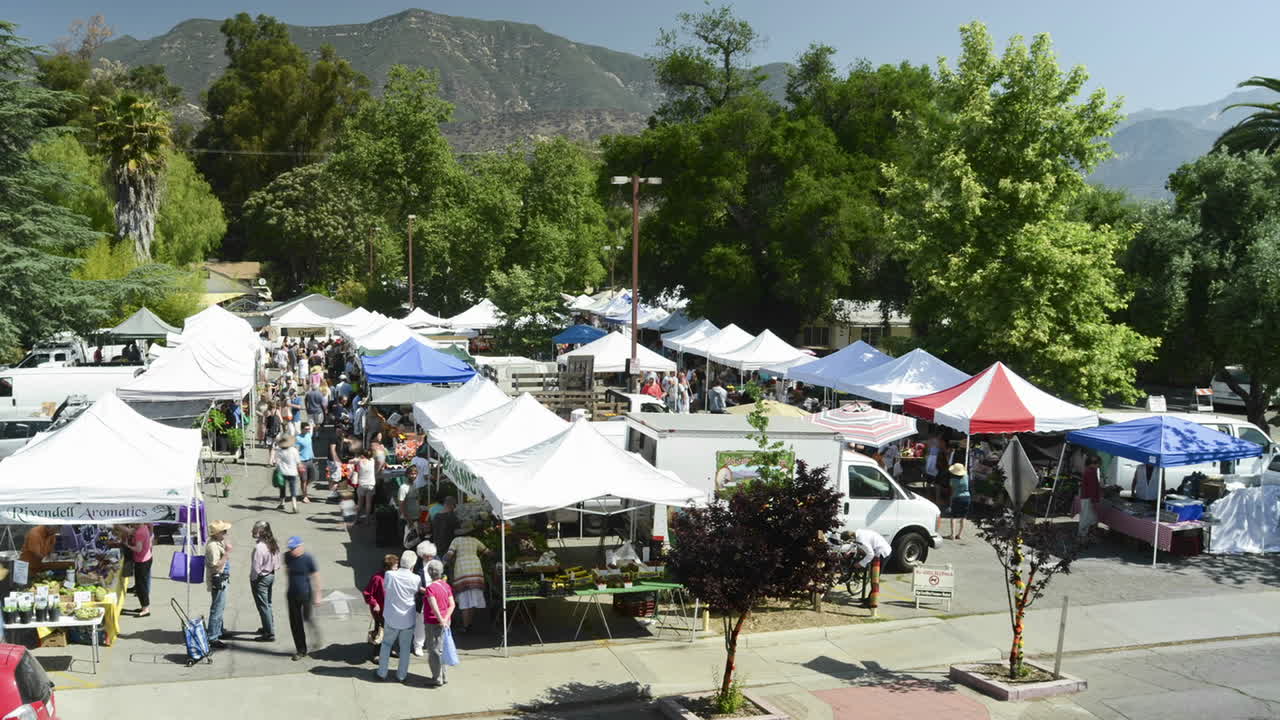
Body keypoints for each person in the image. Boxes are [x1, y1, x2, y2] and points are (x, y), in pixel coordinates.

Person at [376, 551, 422, 683]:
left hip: (391, 617)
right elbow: (417, 591)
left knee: (386, 644)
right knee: (405, 648)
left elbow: (386, 587)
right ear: (413, 564)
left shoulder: (390, 575)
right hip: (407, 618)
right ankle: (401, 675)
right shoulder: (416, 578)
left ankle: (382, 672)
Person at [444, 524, 488, 634]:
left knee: (464, 600)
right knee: (473, 598)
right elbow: (488, 552)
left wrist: (443, 562)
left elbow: (449, 555)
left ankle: (465, 626)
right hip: (475, 568)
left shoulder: (456, 540)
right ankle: (469, 624)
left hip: (462, 569)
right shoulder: (475, 540)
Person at [283, 536, 321, 661]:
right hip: (292, 594)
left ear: (301, 546)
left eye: (294, 548)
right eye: (290, 548)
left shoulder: (308, 559)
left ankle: (315, 635)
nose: (292, 551)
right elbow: (287, 571)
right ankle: (301, 650)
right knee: (295, 623)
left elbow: (315, 576)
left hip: (305, 594)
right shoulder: (287, 556)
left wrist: (318, 595)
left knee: (307, 618)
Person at [422, 559, 455, 687]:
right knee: (442, 649)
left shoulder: (430, 589)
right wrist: (446, 618)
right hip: (446, 622)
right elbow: (452, 604)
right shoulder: (446, 586)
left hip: (433, 622)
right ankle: (444, 676)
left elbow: (433, 607)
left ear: (430, 573)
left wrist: (441, 620)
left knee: (434, 651)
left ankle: (437, 678)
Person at [249, 520, 280, 642]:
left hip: (261, 578)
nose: (252, 531)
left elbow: (256, 568)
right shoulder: (272, 543)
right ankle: (269, 626)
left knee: (263, 606)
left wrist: (253, 579)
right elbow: (277, 563)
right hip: (270, 575)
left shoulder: (259, 548)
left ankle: (269, 633)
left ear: (261, 532)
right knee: (268, 603)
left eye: (255, 529)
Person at [206, 520, 233, 649]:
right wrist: (227, 553)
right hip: (218, 580)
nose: (225, 533)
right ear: (216, 533)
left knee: (220, 607)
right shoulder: (212, 546)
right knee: (217, 608)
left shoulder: (217, 542)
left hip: (222, 579)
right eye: (223, 531)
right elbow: (216, 567)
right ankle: (212, 637)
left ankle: (219, 630)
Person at [363, 554, 398, 648]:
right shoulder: (377, 578)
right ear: (387, 567)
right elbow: (368, 593)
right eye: (395, 567)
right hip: (381, 611)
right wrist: (374, 603)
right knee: (380, 631)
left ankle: (390, 648)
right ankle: (377, 652)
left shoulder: (395, 577)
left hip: (392, 610)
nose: (396, 569)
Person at [411, 540, 438, 657]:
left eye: (432, 555)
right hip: (421, 597)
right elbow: (412, 580)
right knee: (420, 623)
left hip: (434, 596)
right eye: (427, 556)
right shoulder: (416, 564)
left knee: (434, 621)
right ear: (422, 555)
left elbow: (442, 576)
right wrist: (421, 589)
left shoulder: (436, 562)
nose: (430, 558)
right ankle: (418, 645)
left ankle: (433, 644)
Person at [119, 523, 153, 617]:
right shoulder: (144, 527)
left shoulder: (139, 532)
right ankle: (144, 606)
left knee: (141, 586)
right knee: (141, 585)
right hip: (146, 558)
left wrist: (127, 545)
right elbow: (128, 530)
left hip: (142, 562)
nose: (131, 526)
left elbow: (138, 549)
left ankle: (145, 609)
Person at [275, 435, 302, 513]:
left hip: (282, 472)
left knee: (282, 489)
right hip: (293, 472)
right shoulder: (294, 450)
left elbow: (277, 462)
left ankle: (282, 503)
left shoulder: (279, 451)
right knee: (293, 489)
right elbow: (298, 461)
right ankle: (294, 506)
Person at [1079, 455, 1102, 538]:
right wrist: (1094, 499)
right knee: (1086, 517)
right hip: (1087, 497)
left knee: (1090, 517)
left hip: (1086, 497)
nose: (1100, 465)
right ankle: (1082, 535)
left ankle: (1086, 534)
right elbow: (1092, 487)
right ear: (1095, 464)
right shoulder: (1091, 471)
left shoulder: (1089, 470)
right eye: (1099, 463)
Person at [947, 462, 971, 539]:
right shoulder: (966, 477)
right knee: (963, 516)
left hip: (957, 497)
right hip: (967, 497)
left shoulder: (953, 480)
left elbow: (952, 491)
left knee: (953, 516)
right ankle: (960, 534)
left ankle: (953, 534)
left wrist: (950, 502)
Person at [355, 447, 377, 522]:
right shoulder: (372, 461)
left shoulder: (359, 462)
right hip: (371, 484)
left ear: (362, 455)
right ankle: (367, 519)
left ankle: (357, 519)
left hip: (361, 484)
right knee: (368, 503)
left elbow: (354, 464)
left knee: (360, 503)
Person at [296, 423, 315, 504]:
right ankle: (305, 496)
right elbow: (295, 451)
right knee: (304, 480)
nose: (308, 430)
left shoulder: (308, 435)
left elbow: (313, 426)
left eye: (308, 429)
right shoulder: (297, 438)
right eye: (306, 429)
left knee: (312, 478)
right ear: (302, 429)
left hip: (310, 460)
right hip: (302, 462)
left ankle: (303, 491)